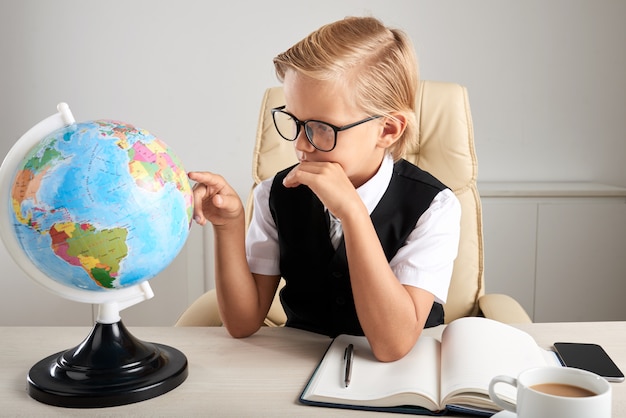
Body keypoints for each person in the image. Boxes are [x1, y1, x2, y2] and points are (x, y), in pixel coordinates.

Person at [189, 16, 461, 362]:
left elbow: (393, 346)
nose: (301, 144)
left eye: (320, 127)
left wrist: (352, 212)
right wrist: (228, 225)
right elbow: (242, 323)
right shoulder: (276, 194)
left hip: (403, 376)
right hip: (298, 366)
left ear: (387, 130)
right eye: (295, 121)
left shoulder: (434, 206)